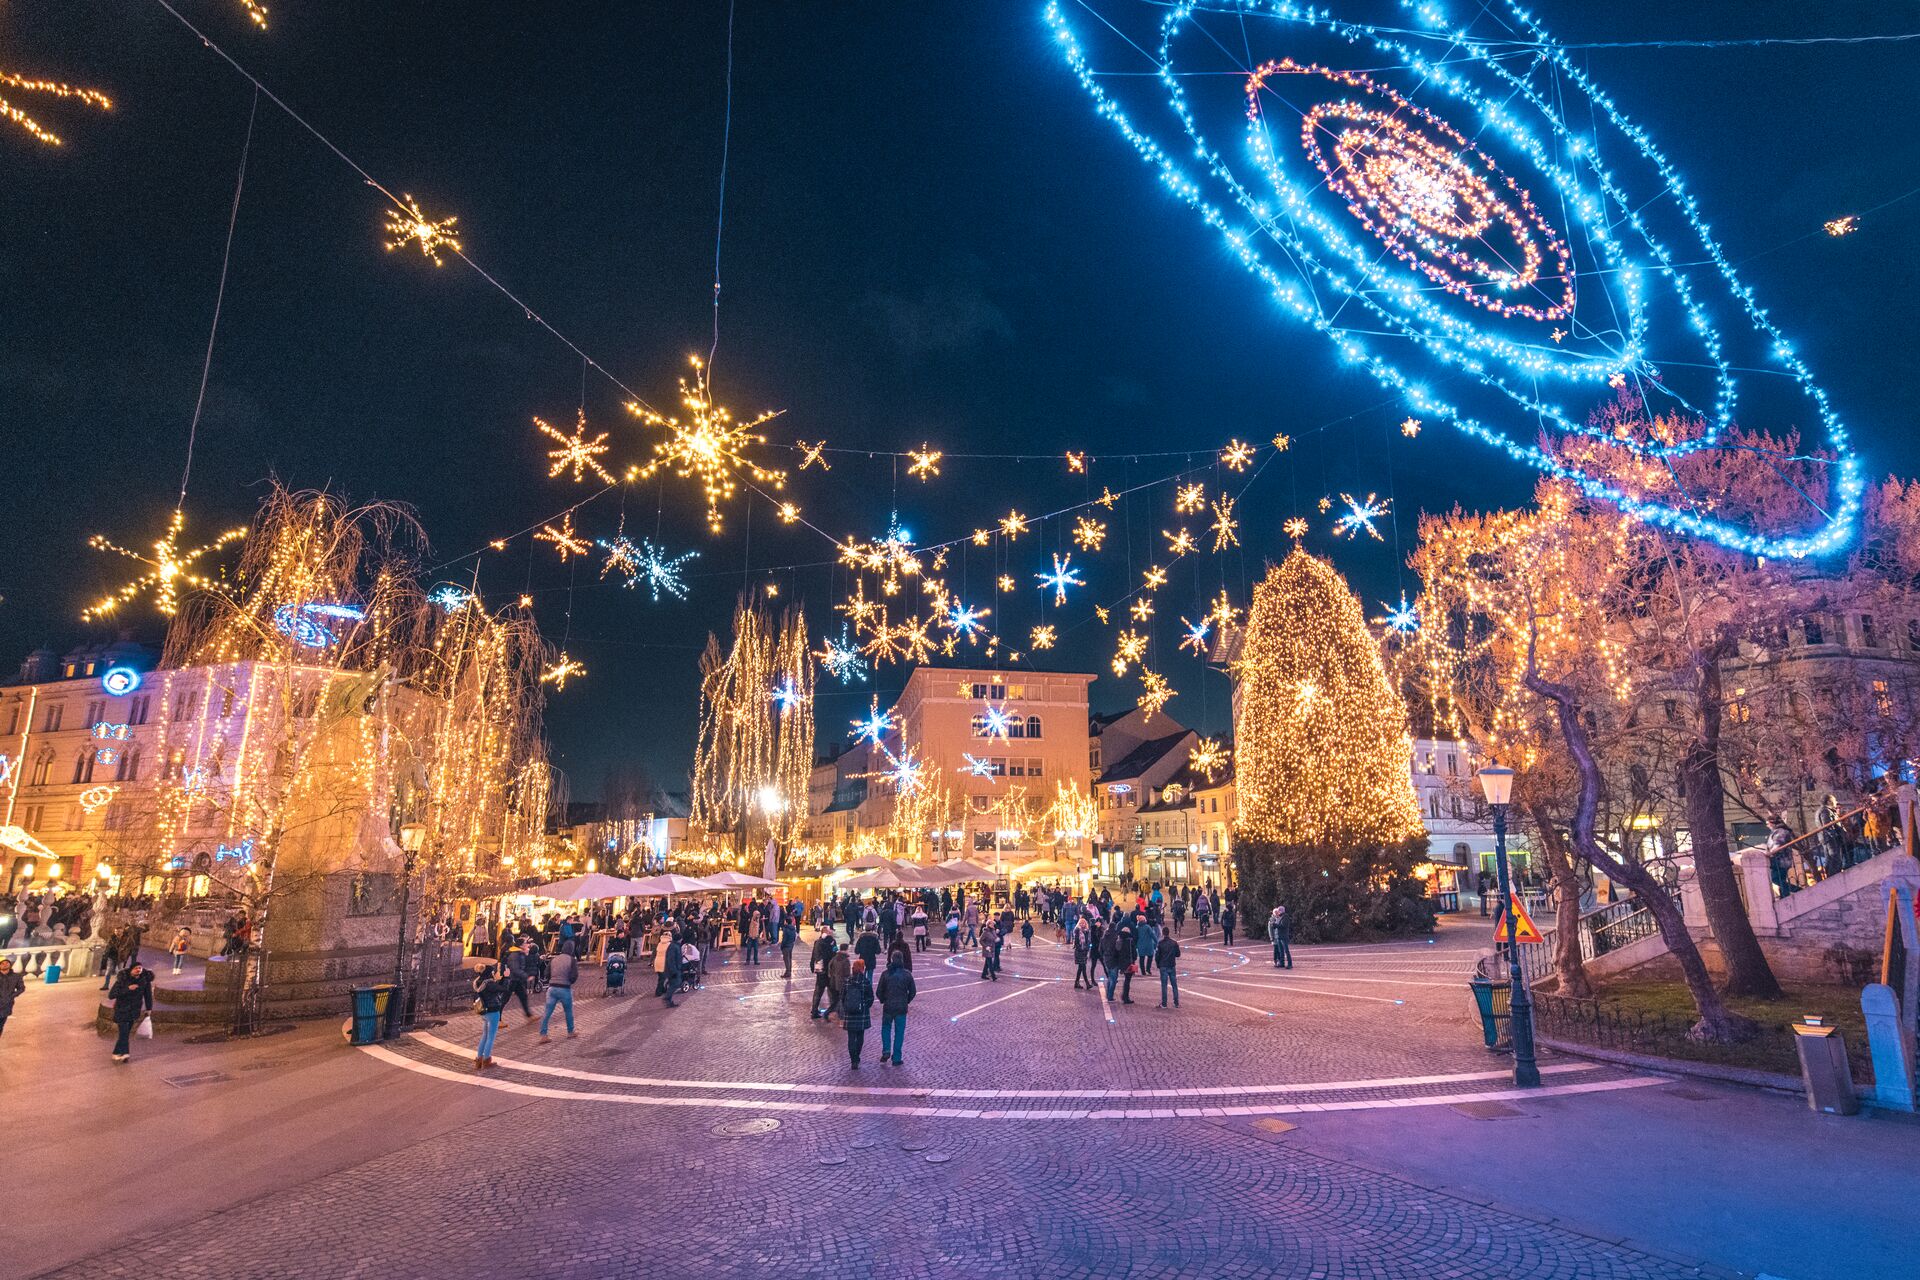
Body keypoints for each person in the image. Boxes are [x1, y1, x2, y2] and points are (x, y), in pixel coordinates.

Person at [108, 960, 155, 1063]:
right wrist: (128, 989)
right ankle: (125, 1053)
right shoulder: (123, 979)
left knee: (125, 1034)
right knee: (124, 1033)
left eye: (140, 968)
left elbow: (148, 995)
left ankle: (117, 1052)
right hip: (122, 1010)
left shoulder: (144, 980)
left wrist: (149, 1008)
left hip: (134, 1010)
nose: (138, 970)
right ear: (131, 970)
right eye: (136, 968)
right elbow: (111, 995)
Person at [876, 950, 917, 1066]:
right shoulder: (907, 974)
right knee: (899, 1032)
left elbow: (879, 991)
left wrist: (883, 1000)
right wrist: (906, 1000)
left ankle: (886, 1050)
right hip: (901, 1007)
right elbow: (913, 991)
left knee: (886, 1029)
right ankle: (897, 1057)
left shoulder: (886, 974)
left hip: (888, 1006)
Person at [472, 963, 512, 1069]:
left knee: (484, 1036)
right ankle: (486, 1060)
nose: (494, 974)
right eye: (493, 972)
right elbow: (504, 989)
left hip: (484, 1012)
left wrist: (502, 979)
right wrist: (507, 977)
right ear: (490, 973)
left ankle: (479, 1060)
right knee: (491, 1037)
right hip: (493, 1012)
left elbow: (496, 986)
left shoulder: (478, 983)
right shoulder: (489, 984)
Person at [539, 941, 578, 1040]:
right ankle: (570, 1031)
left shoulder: (554, 959)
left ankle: (543, 1034)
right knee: (568, 1011)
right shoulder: (572, 960)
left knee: (547, 1012)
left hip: (552, 988)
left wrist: (552, 979)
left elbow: (546, 973)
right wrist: (569, 981)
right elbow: (574, 976)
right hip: (564, 988)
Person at [841, 956, 875, 1068]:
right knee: (860, 1036)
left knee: (851, 1037)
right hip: (862, 1013)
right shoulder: (865, 982)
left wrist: (846, 1006)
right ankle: (857, 1056)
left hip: (849, 1012)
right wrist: (866, 1006)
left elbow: (842, 996)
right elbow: (870, 997)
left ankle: (853, 1060)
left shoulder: (847, 981)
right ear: (862, 969)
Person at [1102, 925, 1134, 1004]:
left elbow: (1103, 949)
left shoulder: (1117, 939)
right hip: (1125, 962)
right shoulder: (1128, 940)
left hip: (1112, 960)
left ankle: (1109, 995)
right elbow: (1133, 953)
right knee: (1120, 980)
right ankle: (1120, 997)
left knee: (1110, 978)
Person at [506, 942, 536, 1018]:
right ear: (521, 945)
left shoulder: (520, 954)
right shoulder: (515, 955)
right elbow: (515, 969)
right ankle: (498, 1018)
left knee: (523, 996)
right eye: (526, 943)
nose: (528, 945)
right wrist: (526, 976)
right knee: (504, 999)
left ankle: (528, 1014)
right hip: (511, 980)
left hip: (516, 980)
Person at [1156, 930, 1181, 1008]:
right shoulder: (1174, 943)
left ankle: (1164, 1003)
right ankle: (1176, 1002)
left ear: (1163, 933)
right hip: (1172, 965)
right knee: (1174, 984)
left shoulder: (1160, 943)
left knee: (1164, 985)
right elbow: (1178, 954)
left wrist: (1158, 964)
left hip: (1163, 965)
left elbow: (1157, 956)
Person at [0, 957, 23, 1037]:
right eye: (2, 963)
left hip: (7, 1004)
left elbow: (21, 988)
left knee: (1, 1022)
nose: (5, 965)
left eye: (6, 962)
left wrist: (12, 996)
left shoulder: (16, 976)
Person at [662, 929, 685, 1008]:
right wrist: (674, 971)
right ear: (679, 939)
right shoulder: (674, 947)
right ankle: (667, 998)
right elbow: (671, 960)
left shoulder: (675, 946)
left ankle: (669, 1001)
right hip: (673, 970)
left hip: (674, 969)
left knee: (674, 983)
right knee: (676, 983)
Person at [1269, 903, 1293, 969]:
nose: (1278, 912)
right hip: (1279, 936)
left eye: (1279, 911)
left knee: (1286, 950)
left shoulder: (1285, 917)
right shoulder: (1280, 917)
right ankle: (1282, 963)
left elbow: (1283, 926)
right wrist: (1273, 925)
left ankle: (1290, 964)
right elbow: (1277, 925)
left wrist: (1275, 925)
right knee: (1281, 951)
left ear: (1281, 911)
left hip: (1283, 936)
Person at [1071, 920, 1093, 990]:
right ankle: (1087, 983)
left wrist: (1087, 948)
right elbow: (1076, 943)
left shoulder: (1087, 931)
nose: (1082, 924)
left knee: (1080, 968)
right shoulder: (1077, 931)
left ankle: (1076, 983)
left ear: (1085, 924)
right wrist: (1082, 949)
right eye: (1080, 923)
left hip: (1084, 952)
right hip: (1079, 952)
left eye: (1083, 923)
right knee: (1083, 967)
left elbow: (1088, 941)